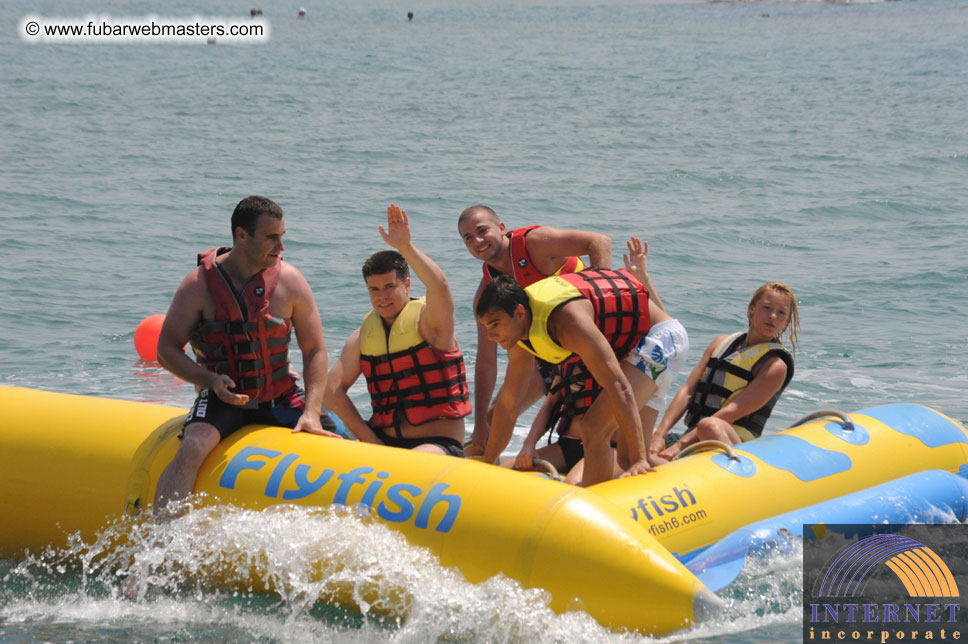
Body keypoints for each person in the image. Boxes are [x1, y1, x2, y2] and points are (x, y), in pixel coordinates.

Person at [153, 196, 343, 519]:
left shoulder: (290, 282)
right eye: (272, 237)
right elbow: (166, 350)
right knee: (193, 447)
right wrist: (210, 380)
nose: (281, 246)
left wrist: (311, 411)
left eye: (283, 236)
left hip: (280, 395)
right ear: (242, 236)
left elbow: (315, 350)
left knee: (341, 440)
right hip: (223, 399)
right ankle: (156, 547)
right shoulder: (197, 286)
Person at [475, 265, 675, 487]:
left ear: (520, 313)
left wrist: (638, 459)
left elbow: (619, 386)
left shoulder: (567, 324)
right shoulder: (520, 337)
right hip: (631, 344)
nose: (490, 336)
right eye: (485, 327)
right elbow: (508, 405)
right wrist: (487, 466)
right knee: (621, 452)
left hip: (659, 338)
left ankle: (597, 501)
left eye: (495, 324)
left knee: (597, 429)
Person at [511, 237, 689, 483]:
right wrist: (528, 445)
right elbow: (552, 400)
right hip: (569, 445)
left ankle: (666, 472)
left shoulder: (614, 345)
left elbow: (662, 326)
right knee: (630, 458)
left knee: (598, 431)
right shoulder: (571, 343)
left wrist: (643, 280)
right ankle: (660, 468)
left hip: (607, 444)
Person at [457, 205, 612, 458]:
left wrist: (598, 298)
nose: (477, 241)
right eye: (468, 238)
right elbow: (486, 361)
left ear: (502, 228)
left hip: (588, 338)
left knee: (592, 423)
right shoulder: (489, 292)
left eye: (482, 230)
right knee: (494, 417)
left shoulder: (535, 245)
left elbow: (599, 241)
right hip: (548, 351)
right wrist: (480, 426)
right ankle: (489, 475)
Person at [324, 204, 471, 456]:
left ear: (407, 284)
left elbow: (440, 286)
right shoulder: (362, 337)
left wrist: (405, 247)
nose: (382, 296)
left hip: (437, 445)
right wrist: (370, 440)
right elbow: (330, 391)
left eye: (390, 286)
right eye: (374, 289)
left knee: (415, 462)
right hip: (381, 440)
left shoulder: (430, 323)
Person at [654, 282, 799, 461]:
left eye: (781, 313)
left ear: (786, 321)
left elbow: (731, 412)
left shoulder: (775, 366)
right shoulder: (720, 344)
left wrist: (679, 446)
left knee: (710, 425)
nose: (772, 316)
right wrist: (660, 435)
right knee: (643, 432)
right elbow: (687, 391)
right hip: (692, 435)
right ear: (752, 309)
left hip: (735, 444)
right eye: (767, 308)